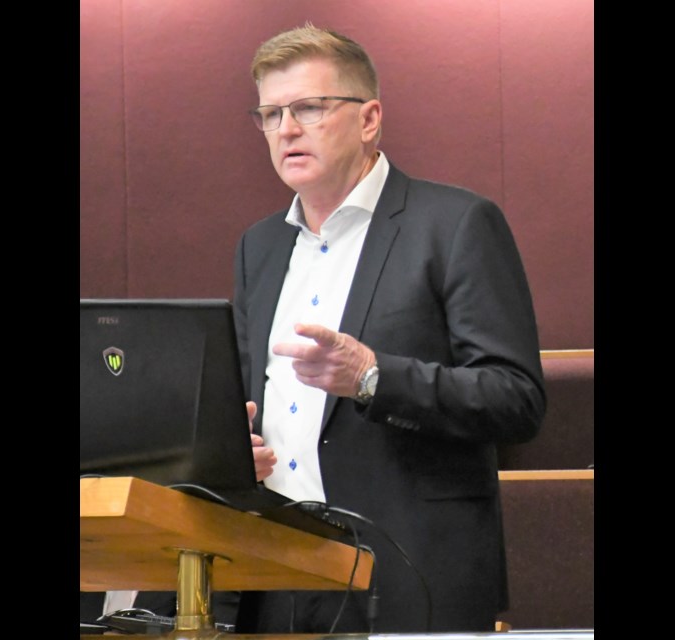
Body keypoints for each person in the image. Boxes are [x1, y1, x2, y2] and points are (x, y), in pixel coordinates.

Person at [229, 24, 546, 633]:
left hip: (410, 571)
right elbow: (252, 396)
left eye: (309, 108)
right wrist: (236, 448)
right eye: (270, 114)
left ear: (369, 119)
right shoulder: (259, 247)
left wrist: (373, 377)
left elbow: (518, 400)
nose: (286, 129)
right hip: (273, 570)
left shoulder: (454, 224)